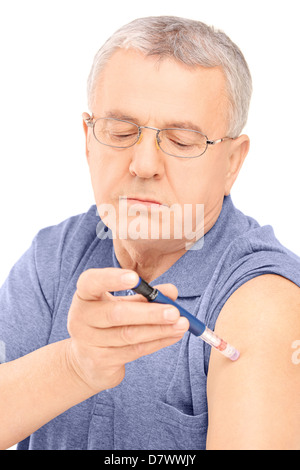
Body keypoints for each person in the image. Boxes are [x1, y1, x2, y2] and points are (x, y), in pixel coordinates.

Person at [1, 16, 300, 451]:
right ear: (88, 141)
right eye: (121, 132)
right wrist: (76, 365)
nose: (144, 164)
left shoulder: (261, 297)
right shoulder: (55, 257)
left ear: (232, 163)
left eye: (181, 141)